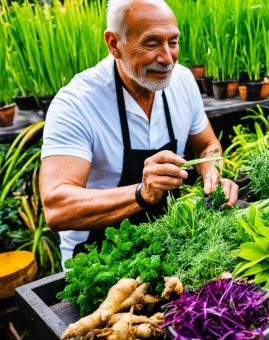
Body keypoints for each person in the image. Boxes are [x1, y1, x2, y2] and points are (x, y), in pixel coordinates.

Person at [39, 0, 238, 269]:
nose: (167, 59)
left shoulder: (182, 81)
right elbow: (57, 207)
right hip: (98, 258)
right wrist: (141, 193)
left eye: (173, 42)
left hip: (168, 245)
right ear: (114, 44)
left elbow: (207, 145)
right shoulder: (77, 103)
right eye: (151, 43)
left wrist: (212, 176)